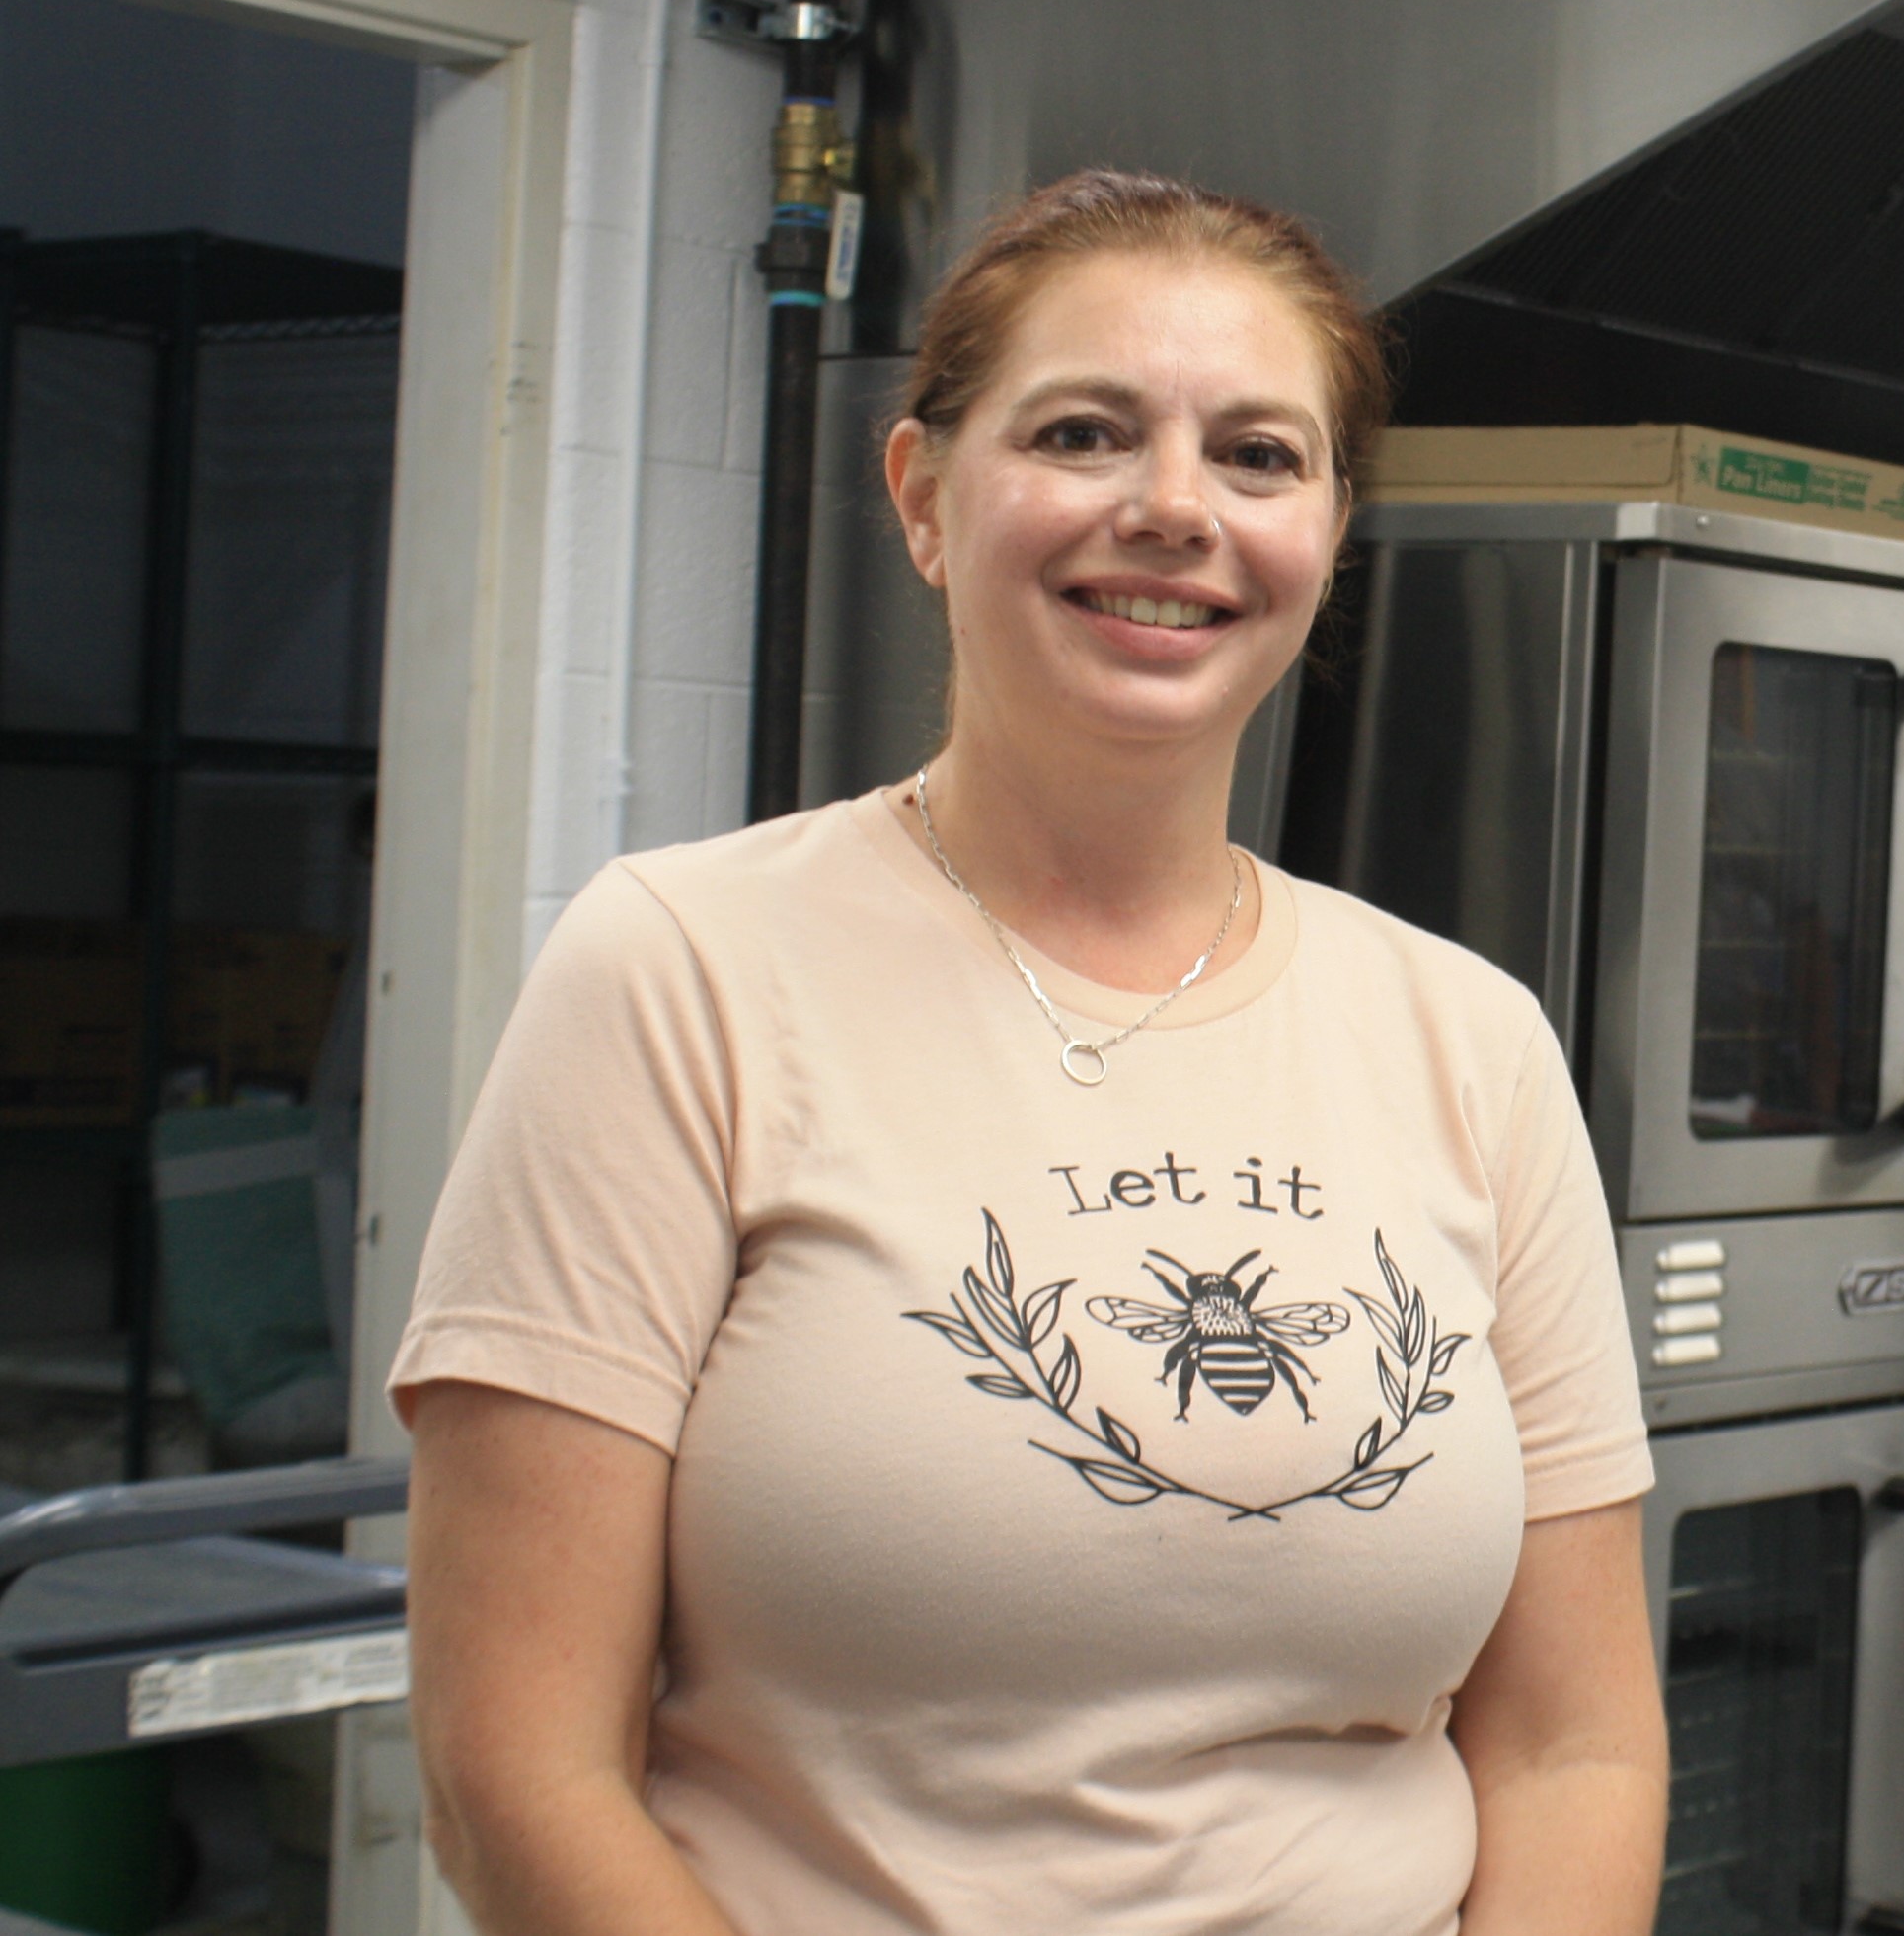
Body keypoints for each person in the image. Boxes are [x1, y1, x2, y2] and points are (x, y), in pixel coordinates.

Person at [392, 170, 1665, 1935]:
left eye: (1259, 455)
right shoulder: (682, 972)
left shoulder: (1471, 1042)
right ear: (925, 497)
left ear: (1330, 532)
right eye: (1082, 431)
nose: (1172, 509)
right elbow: (514, 1768)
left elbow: (1572, 1753)